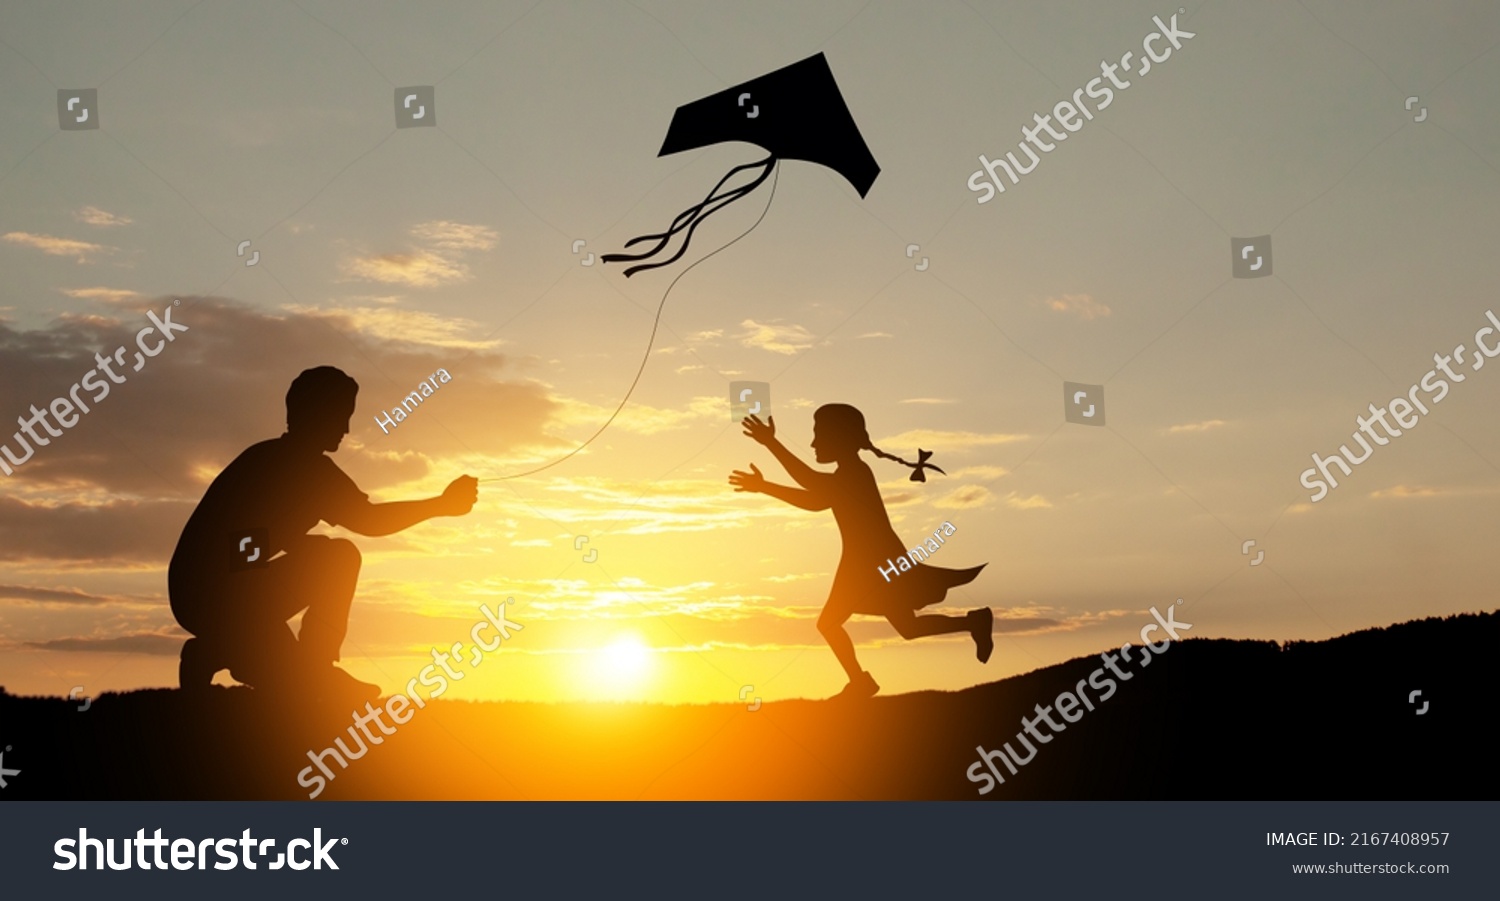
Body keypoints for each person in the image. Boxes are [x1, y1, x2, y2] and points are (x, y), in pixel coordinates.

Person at [169, 366, 477, 702]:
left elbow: (253, 535)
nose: (346, 429)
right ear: (317, 414)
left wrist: (291, 547)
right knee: (338, 560)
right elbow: (239, 542)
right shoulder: (294, 468)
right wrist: (440, 505)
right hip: (211, 594)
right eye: (341, 416)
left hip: (211, 591)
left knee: (292, 681)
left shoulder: (274, 458)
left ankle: (263, 660)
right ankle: (285, 662)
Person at [729, 404, 993, 699]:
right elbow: (816, 500)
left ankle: (861, 682)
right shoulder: (848, 473)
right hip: (867, 562)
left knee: (829, 623)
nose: (814, 443)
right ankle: (974, 622)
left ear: (840, 438)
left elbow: (813, 483)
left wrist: (772, 445)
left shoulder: (855, 473)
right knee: (906, 627)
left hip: (871, 563)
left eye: (819, 436)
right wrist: (765, 486)